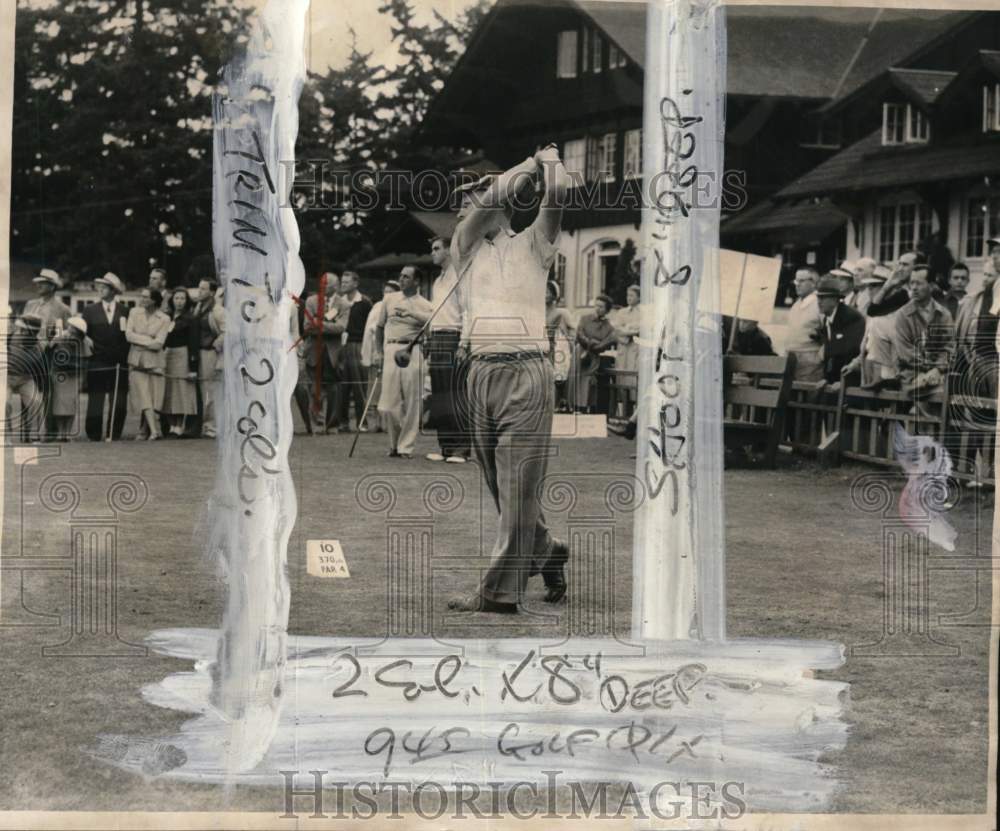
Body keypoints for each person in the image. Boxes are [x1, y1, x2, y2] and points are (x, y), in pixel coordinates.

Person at [446, 144, 571, 614]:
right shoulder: (466, 245)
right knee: (501, 485)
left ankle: (499, 594)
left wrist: (550, 159)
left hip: (529, 371)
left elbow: (557, 190)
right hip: (480, 370)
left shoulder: (536, 242)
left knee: (518, 485)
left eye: (473, 193)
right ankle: (545, 549)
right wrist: (527, 165)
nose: (465, 204)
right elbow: (483, 207)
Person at [373, 265, 433, 459]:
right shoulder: (389, 299)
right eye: (400, 276)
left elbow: (432, 323)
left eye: (406, 277)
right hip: (391, 349)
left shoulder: (425, 304)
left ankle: (405, 447)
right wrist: (379, 352)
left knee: (412, 401)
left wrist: (411, 314)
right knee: (389, 403)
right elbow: (380, 327)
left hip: (412, 351)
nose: (401, 279)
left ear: (417, 281)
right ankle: (393, 444)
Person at [425, 236, 470, 463]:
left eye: (436, 249)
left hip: (454, 337)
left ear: (449, 251)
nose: (432, 252)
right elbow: (435, 315)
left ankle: (462, 448)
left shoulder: (459, 276)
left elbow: (467, 312)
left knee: (455, 393)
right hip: (437, 338)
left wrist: (464, 343)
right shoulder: (437, 281)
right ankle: (446, 447)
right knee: (440, 395)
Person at [81, 272, 130, 441]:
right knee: (96, 399)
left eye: (105, 287)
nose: (100, 289)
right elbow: (84, 335)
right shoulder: (89, 311)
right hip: (97, 362)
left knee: (119, 400)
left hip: (119, 363)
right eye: (99, 286)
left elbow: (127, 338)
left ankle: (114, 433)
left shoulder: (126, 311)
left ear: (113, 290)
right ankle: (94, 434)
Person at [24, 268, 71, 440]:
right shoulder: (30, 304)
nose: (39, 285)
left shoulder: (62, 308)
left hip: (48, 355)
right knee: (27, 391)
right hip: (28, 353)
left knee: (46, 393)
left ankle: (46, 431)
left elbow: (66, 331)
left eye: (43, 283)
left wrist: (51, 343)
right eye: (38, 283)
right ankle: (27, 432)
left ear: (52, 286)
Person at [892, 266, 955, 394]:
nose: (914, 288)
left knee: (945, 394)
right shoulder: (903, 315)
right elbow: (905, 352)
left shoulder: (944, 315)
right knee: (927, 393)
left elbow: (948, 348)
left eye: (919, 283)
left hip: (937, 374)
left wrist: (937, 369)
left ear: (931, 286)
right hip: (910, 373)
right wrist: (929, 370)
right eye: (911, 283)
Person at [303, 273, 348, 433]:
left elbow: (341, 327)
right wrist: (329, 325)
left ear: (335, 286)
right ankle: (318, 425)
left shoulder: (343, 304)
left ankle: (332, 425)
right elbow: (307, 327)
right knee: (314, 390)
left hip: (334, 353)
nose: (323, 286)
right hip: (313, 351)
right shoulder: (311, 301)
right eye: (321, 282)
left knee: (334, 389)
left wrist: (319, 323)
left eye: (327, 283)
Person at [126, 288, 171, 440]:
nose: (142, 299)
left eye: (146, 297)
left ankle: (146, 430)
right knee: (144, 396)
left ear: (154, 300)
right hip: (136, 360)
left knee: (154, 398)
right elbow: (128, 335)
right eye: (142, 296)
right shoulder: (134, 312)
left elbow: (159, 344)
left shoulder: (164, 318)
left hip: (155, 362)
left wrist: (140, 340)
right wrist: (148, 339)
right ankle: (153, 431)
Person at [954, 250, 999, 398]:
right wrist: (970, 357)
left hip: (996, 362)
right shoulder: (972, 301)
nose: (985, 279)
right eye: (984, 274)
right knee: (976, 406)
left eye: (990, 275)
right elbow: (962, 335)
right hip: (976, 360)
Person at [336, 271, 373, 433]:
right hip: (341, 346)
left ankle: (362, 422)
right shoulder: (339, 302)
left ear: (355, 284)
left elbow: (370, 326)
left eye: (346, 282)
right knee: (342, 387)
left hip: (358, 345)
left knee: (359, 386)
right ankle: (342, 422)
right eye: (342, 282)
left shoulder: (364, 303)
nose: (343, 285)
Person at [568, 294, 618, 412]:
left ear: (607, 310)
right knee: (576, 379)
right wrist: (590, 343)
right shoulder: (584, 319)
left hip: (594, 356)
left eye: (601, 307)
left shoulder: (609, 326)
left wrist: (596, 347)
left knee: (589, 382)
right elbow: (579, 334)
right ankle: (572, 406)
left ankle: (586, 406)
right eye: (596, 305)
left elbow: (608, 341)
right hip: (580, 352)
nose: (597, 308)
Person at [161, 287, 199, 438]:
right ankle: (171, 425)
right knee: (168, 391)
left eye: (182, 299)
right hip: (167, 355)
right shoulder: (166, 317)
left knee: (181, 392)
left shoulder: (191, 319)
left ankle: (179, 425)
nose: (179, 302)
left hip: (183, 355)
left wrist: (193, 367)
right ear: (172, 300)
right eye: (177, 298)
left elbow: (193, 344)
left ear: (187, 301)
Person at [361, 280, 399, 434]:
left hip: (389, 352)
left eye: (391, 292)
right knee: (374, 389)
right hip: (375, 353)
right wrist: (375, 353)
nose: (387, 295)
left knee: (387, 389)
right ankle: (373, 422)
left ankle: (385, 423)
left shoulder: (396, 308)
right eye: (385, 292)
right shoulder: (377, 307)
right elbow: (370, 332)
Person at [814, 275, 866, 385]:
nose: (819, 302)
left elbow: (853, 353)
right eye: (818, 298)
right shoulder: (827, 319)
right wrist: (827, 379)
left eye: (823, 298)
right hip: (835, 381)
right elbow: (830, 354)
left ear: (835, 299)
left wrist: (844, 382)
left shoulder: (851, 318)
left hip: (851, 382)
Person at [49, 316, 92, 441]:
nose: (70, 330)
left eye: (74, 329)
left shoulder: (86, 342)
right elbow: (51, 352)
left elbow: (86, 362)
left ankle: (67, 433)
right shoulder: (60, 337)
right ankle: (60, 433)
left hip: (75, 377)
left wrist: (83, 379)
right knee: (59, 405)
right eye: (70, 327)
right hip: (60, 376)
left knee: (71, 405)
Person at [6, 313, 45, 443]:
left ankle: (34, 435)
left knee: (36, 402)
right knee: (4, 403)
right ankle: (6, 436)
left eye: (24, 330)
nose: (20, 331)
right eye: (20, 329)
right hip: (6, 378)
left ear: (32, 333)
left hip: (25, 379)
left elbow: (36, 368)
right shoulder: (9, 338)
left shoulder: (38, 347)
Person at [190, 276, 219, 438]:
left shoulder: (216, 310)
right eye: (199, 288)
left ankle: (211, 426)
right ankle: (205, 424)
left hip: (209, 352)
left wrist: (215, 344)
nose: (199, 291)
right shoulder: (198, 306)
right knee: (202, 390)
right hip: (199, 351)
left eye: (203, 289)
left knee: (209, 390)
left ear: (212, 292)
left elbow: (226, 330)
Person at [785, 267, 824, 382]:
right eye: (796, 281)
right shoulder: (797, 304)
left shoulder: (819, 303)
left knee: (808, 395)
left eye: (801, 281)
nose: (797, 284)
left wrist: (819, 357)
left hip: (810, 360)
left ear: (813, 283)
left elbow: (828, 332)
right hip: (791, 359)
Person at [545, 280, 576, 412]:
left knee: (558, 375)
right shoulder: (538, 310)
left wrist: (570, 341)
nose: (545, 295)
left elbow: (572, 328)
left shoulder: (561, 312)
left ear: (554, 294)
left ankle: (558, 404)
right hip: (543, 345)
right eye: (544, 292)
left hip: (558, 344)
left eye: (548, 292)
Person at [612, 284, 641, 415]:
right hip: (624, 349)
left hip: (636, 349)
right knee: (622, 378)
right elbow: (616, 329)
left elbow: (642, 328)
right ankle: (624, 413)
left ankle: (634, 415)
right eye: (627, 295)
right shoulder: (622, 312)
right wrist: (631, 330)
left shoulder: (643, 312)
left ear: (639, 297)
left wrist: (628, 329)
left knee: (634, 380)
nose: (628, 298)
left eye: (632, 295)